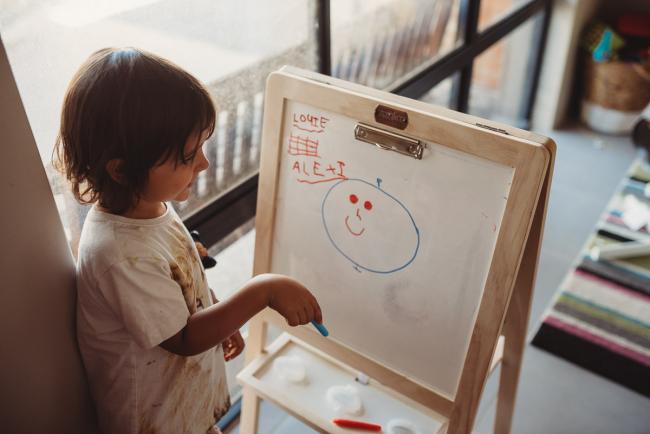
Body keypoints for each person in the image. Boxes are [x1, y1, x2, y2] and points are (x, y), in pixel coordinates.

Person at [54, 47, 322, 434]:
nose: (204, 164)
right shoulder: (119, 254)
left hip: (176, 404)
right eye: (188, 155)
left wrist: (216, 309)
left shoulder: (149, 206)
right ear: (122, 170)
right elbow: (181, 337)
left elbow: (180, 285)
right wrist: (263, 291)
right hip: (152, 419)